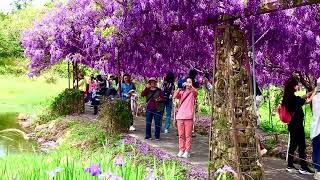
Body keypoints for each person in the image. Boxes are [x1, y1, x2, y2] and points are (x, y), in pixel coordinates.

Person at [282, 77, 314, 174]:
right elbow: (307, 101)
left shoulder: (288, 97)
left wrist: (310, 93)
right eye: (296, 85)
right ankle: (303, 168)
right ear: (293, 86)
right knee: (302, 146)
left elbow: (301, 98)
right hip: (297, 125)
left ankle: (290, 165)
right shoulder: (292, 98)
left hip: (292, 125)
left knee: (293, 145)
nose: (298, 86)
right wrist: (315, 93)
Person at [174, 77, 197, 158]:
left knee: (188, 135)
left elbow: (195, 92)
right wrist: (179, 87)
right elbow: (175, 96)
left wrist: (190, 86)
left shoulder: (193, 92)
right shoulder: (182, 92)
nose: (187, 83)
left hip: (188, 116)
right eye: (186, 82)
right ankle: (181, 150)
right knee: (181, 135)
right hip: (180, 116)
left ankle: (187, 151)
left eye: (190, 82)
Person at [312, 77, 320, 180]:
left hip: (315, 128)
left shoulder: (314, 98)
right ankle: (318, 171)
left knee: (317, 149)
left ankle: (317, 170)